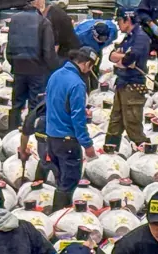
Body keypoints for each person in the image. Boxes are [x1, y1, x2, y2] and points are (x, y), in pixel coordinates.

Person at [42, 47, 98, 210]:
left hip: (52, 138)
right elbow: (78, 118)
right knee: (68, 183)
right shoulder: (77, 84)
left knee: (60, 180)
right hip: (68, 140)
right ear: (87, 64)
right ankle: (60, 217)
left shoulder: (55, 75)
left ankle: (57, 216)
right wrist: (87, 144)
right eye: (91, 67)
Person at [7, 0, 56, 134]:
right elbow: (48, 50)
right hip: (37, 69)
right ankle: (30, 133)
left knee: (17, 102)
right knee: (35, 103)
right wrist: (52, 68)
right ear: (39, 5)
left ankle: (12, 133)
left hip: (18, 67)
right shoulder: (43, 22)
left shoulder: (15, 19)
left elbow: (9, 44)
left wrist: (13, 63)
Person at [105, 9, 150, 151]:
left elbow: (129, 59)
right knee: (115, 122)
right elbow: (112, 55)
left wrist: (121, 58)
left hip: (133, 85)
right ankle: (111, 152)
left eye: (119, 20)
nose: (118, 24)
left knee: (132, 123)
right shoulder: (128, 37)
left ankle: (146, 156)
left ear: (127, 20)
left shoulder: (140, 37)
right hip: (122, 83)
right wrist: (121, 58)